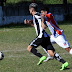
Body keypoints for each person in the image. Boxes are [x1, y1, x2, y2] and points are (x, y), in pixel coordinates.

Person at [24, 3, 69, 70]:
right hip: (46, 37)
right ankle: (64, 63)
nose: (29, 10)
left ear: (32, 9)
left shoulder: (36, 14)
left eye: (29, 8)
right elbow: (37, 26)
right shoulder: (35, 16)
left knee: (29, 48)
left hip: (41, 36)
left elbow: (42, 16)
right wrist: (29, 23)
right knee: (51, 53)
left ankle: (41, 57)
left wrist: (42, 23)